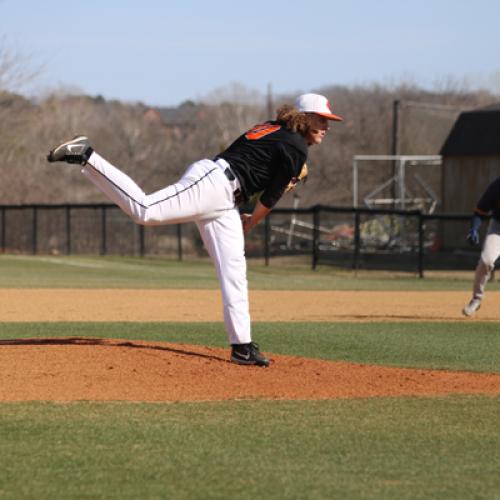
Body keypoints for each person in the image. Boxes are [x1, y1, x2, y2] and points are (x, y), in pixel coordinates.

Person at [47, 93, 343, 365]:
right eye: (321, 119)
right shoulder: (295, 144)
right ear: (304, 117)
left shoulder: (277, 130)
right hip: (214, 184)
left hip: (226, 200)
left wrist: (278, 178)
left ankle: (242, 346)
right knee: (145, 211)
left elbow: (260, 168)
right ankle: (87, 155)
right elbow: (270, 197)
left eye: (328, 121)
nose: (326, 126)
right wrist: (253, 218)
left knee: (234, 271)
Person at [462, 176, 500, 316]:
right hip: (498, 228)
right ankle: (476, 299)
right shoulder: (497, 187)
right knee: (486, 260)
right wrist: (473, 229)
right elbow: (480, 212)